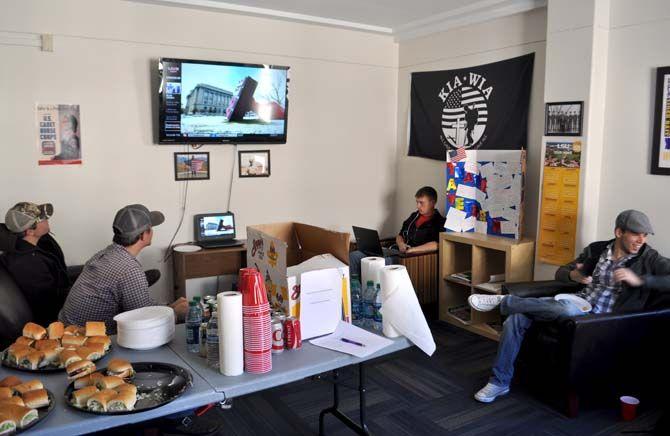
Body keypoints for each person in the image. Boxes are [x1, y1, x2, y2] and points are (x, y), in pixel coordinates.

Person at [468, 210, 670, 403]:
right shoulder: (597, 249)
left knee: (564, 308)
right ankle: (499, 382)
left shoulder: (649, 258)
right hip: (577, 302)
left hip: (601, 320)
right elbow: (563, 272)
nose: (641, 240)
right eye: (636, 234)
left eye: (644, 235)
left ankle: (504, 302)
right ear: (619, 232)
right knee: (516, 319)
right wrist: (575, 275)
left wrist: (641, 280)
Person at [59, 204, 188, 333]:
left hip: (65, 329)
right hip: (87, 339)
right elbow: (142, 322)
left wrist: (169, 307)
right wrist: (175, 314)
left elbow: (141, 306)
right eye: (151, 227)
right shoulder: (129, 270)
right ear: (144, 235)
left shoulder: (104, 253)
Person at [0, 202, 74, 326]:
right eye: (42, 219)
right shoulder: (29, 264)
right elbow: (48, 305)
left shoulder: (33, 244)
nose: (47, 219)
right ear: (30, 232)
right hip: (54, 320)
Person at [349, 186, 446, 277]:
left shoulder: (439, 221)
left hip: (411, 257)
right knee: (354, 256)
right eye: (417, 202)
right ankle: (355, 291)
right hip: (396, 250)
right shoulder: (414, 216)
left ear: (432, 202)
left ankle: (372, 292)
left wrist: (412, 250)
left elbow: (436, 244)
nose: (418, 206)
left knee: (377, 263)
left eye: (421, 203)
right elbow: (400, 235)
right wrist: (401, 244)